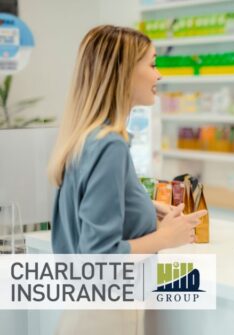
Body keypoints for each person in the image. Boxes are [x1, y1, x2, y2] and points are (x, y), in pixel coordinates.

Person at [47, 25, 207, 335]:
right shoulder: (110, 145)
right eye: (152, 63)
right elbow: (100, 258)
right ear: (123, 72)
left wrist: (143, 208)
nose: (158, 76)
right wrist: (166, 237)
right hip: (105, 318)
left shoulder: (85, 138)